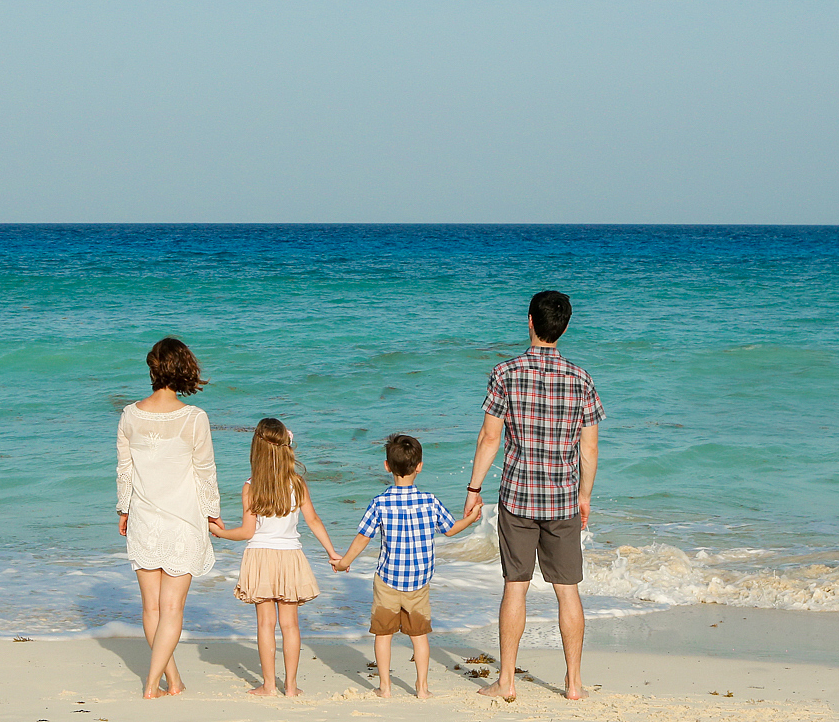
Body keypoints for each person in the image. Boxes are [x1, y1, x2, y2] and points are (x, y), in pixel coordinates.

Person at [462, 291, 603, 702]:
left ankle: (506, 682)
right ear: (565, 327)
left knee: (515, 587)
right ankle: (573, 684)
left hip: (519, 497)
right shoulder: (581, 378)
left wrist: (474, 489)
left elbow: (490, 437)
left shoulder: (505, 372)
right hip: (562, 500)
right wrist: (585, 496)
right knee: (568, 590)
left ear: (529, 321)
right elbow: (589, 448)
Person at [333, 433, 480, 699]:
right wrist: (471, 519)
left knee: (383, 634)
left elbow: (362, 537)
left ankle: (385, 687)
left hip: (387, 579)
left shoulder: (380, 502)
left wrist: (344, 562)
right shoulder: (429, 501)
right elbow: (450, 530)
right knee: (419, 636)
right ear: (419, 466)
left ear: (387, 466)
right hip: (419, 582)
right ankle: (422, 689)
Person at [117, 336, 221, 699]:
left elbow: (124, 470)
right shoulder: (194, 418)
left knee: (151, 608)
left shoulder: (130, 414)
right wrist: (213, 515)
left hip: (144, 518)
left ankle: (172, 681)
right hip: (183, 520)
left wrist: (123, 508)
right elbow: (205, 471)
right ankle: (151, 684)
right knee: (172, 608)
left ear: (152, 369)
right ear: (183, 370)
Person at [209, 418, 341, 697]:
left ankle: (269, 685)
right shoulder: (297, 483)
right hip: (290, 556)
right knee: (290, 625)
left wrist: (219, 533)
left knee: (265, 624)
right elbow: (314, 520)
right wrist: (332, 552)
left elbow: (246, 532)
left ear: (256, 448)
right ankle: (291, 686)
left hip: (260, 556)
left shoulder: (251, 485)